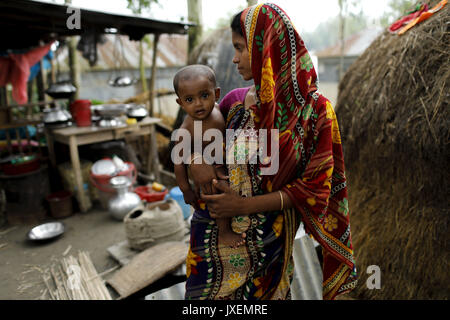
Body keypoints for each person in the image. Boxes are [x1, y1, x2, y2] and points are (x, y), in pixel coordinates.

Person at [185, 3, 357, 300]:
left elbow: (315, 189)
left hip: (269, 250)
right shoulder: (233, 103)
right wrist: (194, 160)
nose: (235, 59)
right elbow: (195, 139)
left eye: (240, 48)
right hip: (215, 244)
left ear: (266, 47)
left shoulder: (314, 113)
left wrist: (241, 207)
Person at [172, 64, 246, 248]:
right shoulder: (186, 130)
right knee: (216, 198)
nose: (198, 104)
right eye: (189, 99)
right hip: (209, 177)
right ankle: (224, 231)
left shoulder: (219, 110)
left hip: (227, 166)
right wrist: (185, 190)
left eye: (204, 95)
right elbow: (179, 163)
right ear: (180, 103)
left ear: (217, 93)